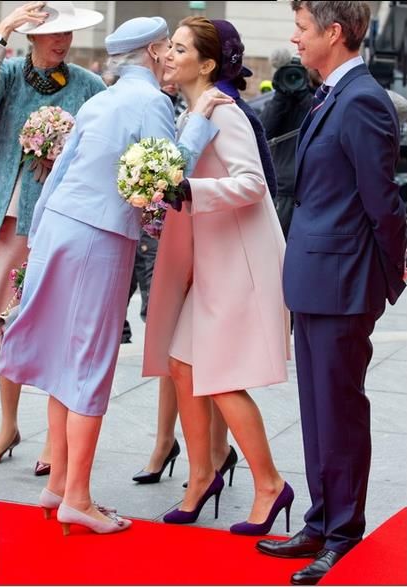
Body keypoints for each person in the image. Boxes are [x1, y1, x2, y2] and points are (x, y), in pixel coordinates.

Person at [0, 15, 230, 535]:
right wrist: (199, 120)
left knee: (64, 361)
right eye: (166, 47)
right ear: (150, 52)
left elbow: (58, 173)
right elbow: (167, 173)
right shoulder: (148, 103)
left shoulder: (102, 98)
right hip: (96, 238)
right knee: (88, 364)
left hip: (59, 227)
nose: (170, 56)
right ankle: (76, 495)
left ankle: (58, 484)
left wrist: (39, 246)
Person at [256, 2, 406, 584]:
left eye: (301, 28)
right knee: (316, 412)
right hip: (317, 276)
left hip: (345, 281)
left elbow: (382, 200)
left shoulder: (363, 97)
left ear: (333, 33)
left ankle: (343, 530)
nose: (294, 39)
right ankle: (321, 518)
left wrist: (393, 272)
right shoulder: (331, 92)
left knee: (340, 412)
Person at [143, 16, 292, 535]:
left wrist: (188, 191)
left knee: (222, 378)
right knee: (183, 365)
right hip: (216, 257)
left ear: (206, 64)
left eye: (179, 49)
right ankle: (203, 472)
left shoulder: (224, 113)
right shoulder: (196, 109)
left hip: (242, 260)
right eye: (169, 48)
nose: (167, 55)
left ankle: (271, 485)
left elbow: (252, 184)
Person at [0, 0, 106, 475]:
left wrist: (63, 158)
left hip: (56, 220)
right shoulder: (12, 74)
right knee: (2, 322)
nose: (62, 42)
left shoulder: (89, 86)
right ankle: (9, 423)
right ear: (32, 37)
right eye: (53, 34)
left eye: (68, 35)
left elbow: (103, 148)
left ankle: (53, 439)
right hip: (3, 215)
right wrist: (1, 34)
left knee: (44, 322)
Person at [260, 52, 314, 239]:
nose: (292, 80)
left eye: (297, 75)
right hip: (281, 190)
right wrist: (280, 98)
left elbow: (315, 123)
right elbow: (264, 131)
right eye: (288, 76)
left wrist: (304, 95)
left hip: (307, 190)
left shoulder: (314, 103)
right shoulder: (274, 103)